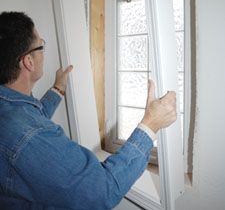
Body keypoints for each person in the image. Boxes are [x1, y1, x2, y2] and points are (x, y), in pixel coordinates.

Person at [0, 11, 177, 210]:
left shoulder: (9, 106)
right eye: (41, 44)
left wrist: (58, 90)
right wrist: (150, 125)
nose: (44, 51)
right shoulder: (27, 136)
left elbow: (28, 119)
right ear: (28, 62)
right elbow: (100, 193)